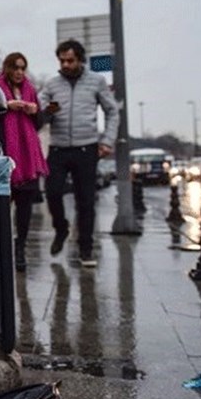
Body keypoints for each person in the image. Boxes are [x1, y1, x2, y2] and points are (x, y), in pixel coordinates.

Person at [39, 39, 119, 268]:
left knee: (86, 201)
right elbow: (40, 113)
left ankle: (86, 249)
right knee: (52, 192)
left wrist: (107, 141)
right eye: (62, 60)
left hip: (87, 148)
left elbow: (112, 111)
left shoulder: (96, 82)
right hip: (58, 148)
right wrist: (48, 111)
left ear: (80, 60)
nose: (65, 64)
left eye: (70, 60)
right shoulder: (52, 84)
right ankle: (61, 228)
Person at [0, 52, 49, 272]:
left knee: (25, 209)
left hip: (28, 160)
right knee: (1, 210)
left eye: (23, 68)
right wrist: (6, 106)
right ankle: (0, 250)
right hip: (5, 158)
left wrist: (35, 111)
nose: (19, 72)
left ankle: (20, 248)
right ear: (7, 68)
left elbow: (40, 122)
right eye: (15, 68)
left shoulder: (31, 91)